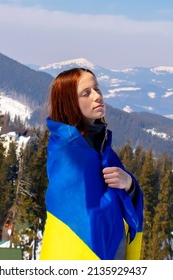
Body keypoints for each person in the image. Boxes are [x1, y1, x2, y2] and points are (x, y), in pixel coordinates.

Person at [39, 68, 144, 260]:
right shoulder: (65, 151)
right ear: (69, 102)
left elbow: (118, 194)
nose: (97, 96)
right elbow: (78, 213)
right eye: (86, 93)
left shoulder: (102, 147)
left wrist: (129, 184)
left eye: (97, 89)